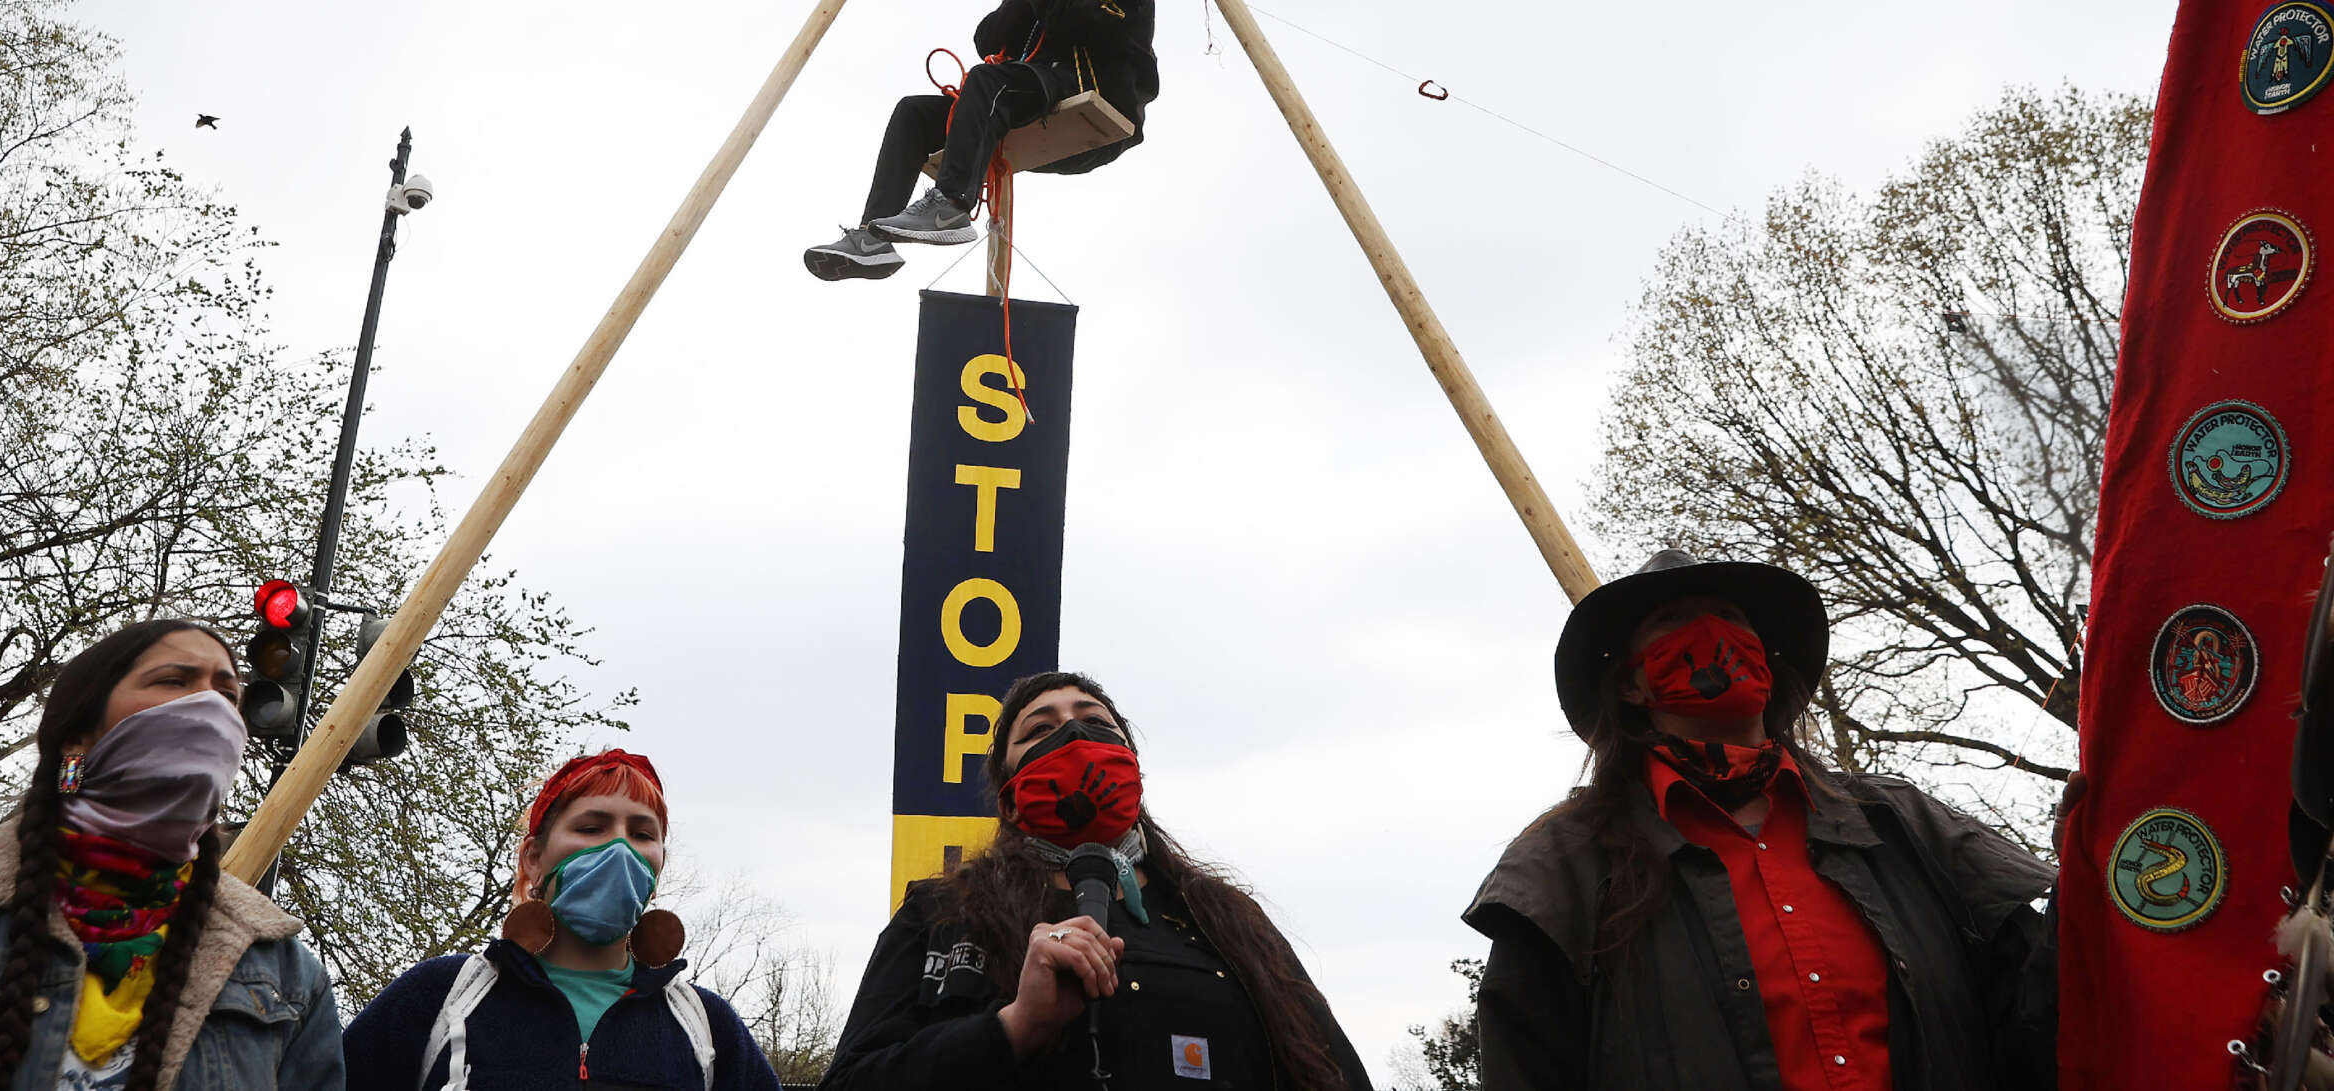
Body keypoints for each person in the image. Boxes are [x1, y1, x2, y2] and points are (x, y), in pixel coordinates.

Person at [1461, 548, 2060, 1090]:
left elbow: (2040, 1019)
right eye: (1672, 623)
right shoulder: (1565, 864)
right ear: (1630, 688)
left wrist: (2092, 863)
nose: (1711, 633)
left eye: (1729, 616)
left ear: (1768, 666)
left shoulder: (1903, 825)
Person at [0, 617, 343, 1091]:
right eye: (174, 681)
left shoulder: (288, 983)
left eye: (228, 695)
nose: (212, 710)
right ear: (76, 739)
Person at [822, 670, 1373, 1091]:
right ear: (1009, 796)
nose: (1072, 733)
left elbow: (1335, 1074)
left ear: (1133, 771)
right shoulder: (940, 912)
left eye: (1097, 723)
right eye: (1040, 729)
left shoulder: (1228, 920)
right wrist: (1012, 1028)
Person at [341, 750, 779, 1091]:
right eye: (592, 828)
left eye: (643, 834)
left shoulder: (708, 1027)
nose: (619, 849)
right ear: (533, 858)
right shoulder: (440, 997)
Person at [803, 0, 1160, 281]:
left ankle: (950, 205)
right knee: (914, 113)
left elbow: (1069, 24)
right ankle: (873, 239)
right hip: (1037, 95)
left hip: (1094, 96)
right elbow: (987, 37)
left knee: (989, 82)